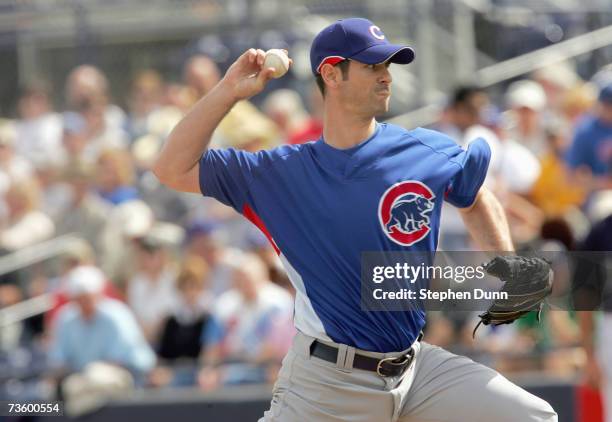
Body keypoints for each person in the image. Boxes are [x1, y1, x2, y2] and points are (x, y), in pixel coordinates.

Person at [153, 17, 557, 422]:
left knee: (535, 417)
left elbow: (474, 196)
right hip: (327, 384)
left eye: (387, 67)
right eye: (372, 66)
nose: (386, 77)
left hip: (416, 372)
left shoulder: (424, 150)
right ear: (331, 73)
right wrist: (228, 91)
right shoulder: (277, 174)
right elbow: (171, 168)